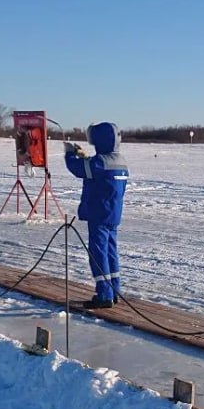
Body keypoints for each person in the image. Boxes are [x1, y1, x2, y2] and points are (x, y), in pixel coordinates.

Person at [64, 122, 129, 309]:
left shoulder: (101, 162)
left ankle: (104, 294)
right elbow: (95, 169)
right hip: (113, 214)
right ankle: (114, 290)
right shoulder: (119, 160)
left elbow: (79, 169)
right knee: (110, 252)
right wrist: (85, 156)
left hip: (99, 214)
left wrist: (69, 154)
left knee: (98, 254)